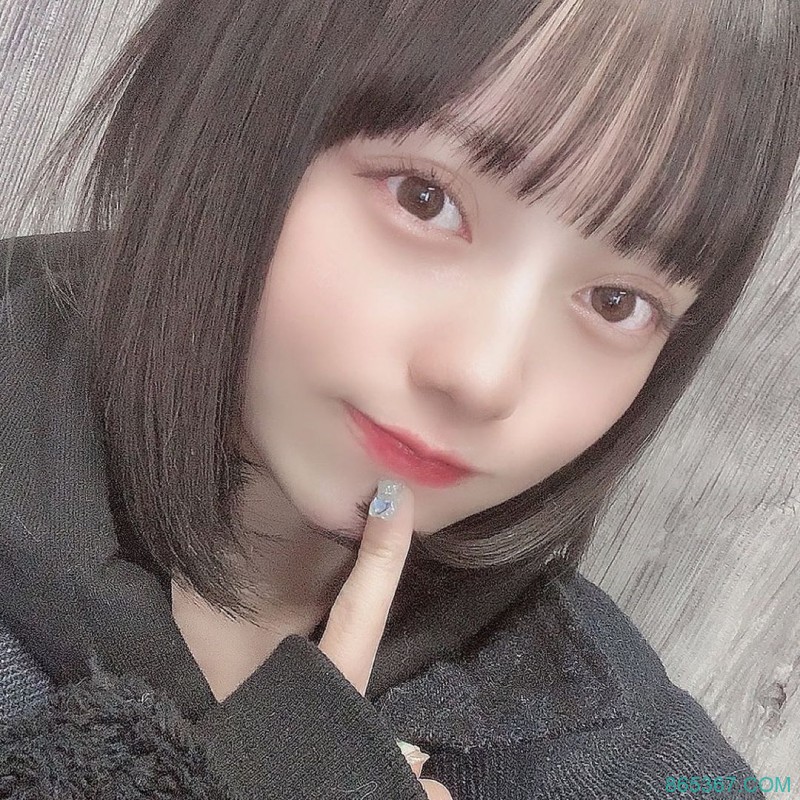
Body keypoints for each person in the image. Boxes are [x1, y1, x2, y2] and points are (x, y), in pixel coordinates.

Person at [1, 0, 798, 797]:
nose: (484, 377)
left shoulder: (627, 756)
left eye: (617, 303)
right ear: (236, 103)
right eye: (424, 198)